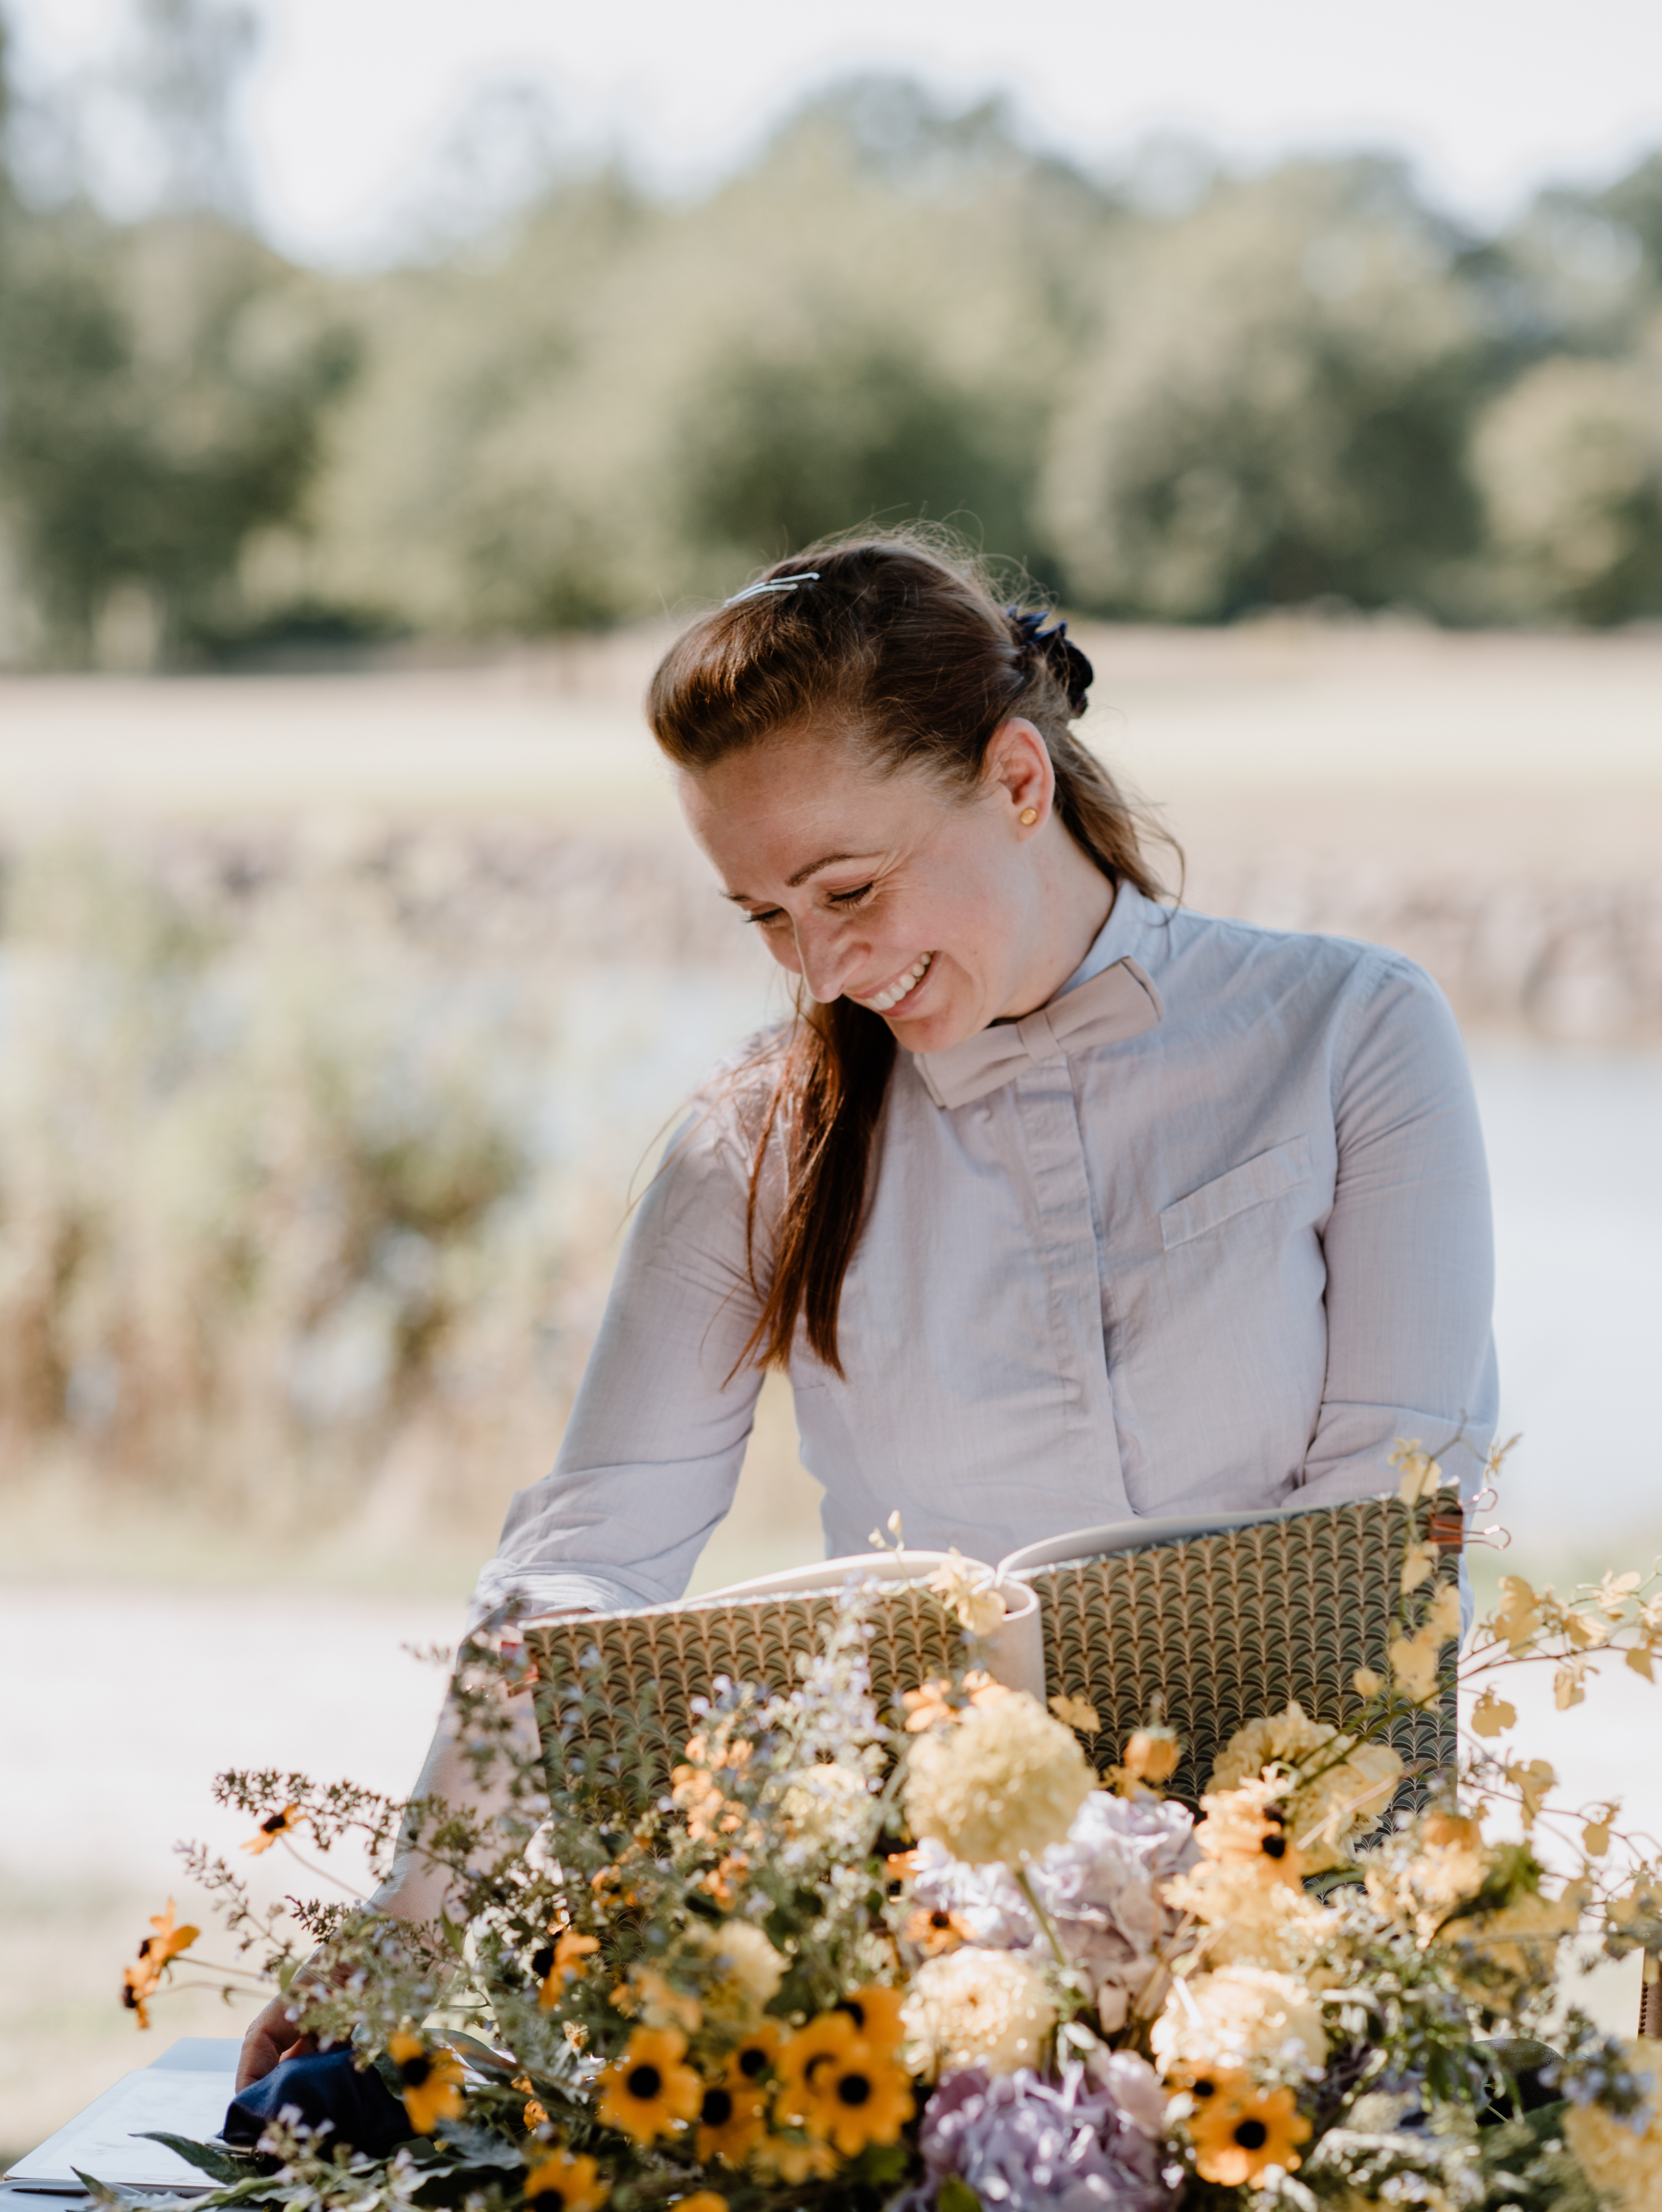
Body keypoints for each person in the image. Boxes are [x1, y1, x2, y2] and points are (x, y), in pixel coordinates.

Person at [234, 532, 1497, 2099]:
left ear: (1018, 779)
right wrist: (404, 1930)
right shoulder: (754, 1141)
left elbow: (1385, 1523)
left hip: (1299, 1956)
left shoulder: (1352, 1034)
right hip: (915, 1984)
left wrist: (1221, 1930)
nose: (824, 966)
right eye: (767, 915)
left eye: (850, 888)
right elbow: (587, 1555)